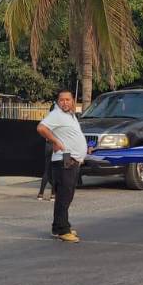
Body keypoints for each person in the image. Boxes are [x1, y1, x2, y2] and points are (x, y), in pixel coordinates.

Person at [37, 89, 87, 242]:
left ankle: (58, 226)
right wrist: (55, 142)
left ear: (73, 101)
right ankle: (63, 230)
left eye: (67, 100)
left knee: (65, 194)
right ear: (58, 102)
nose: (65, 103)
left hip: (70, 158)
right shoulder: (56, 114)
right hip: (64, 158)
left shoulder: (71, 116)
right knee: (65, 196)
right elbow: (41, 128)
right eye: (61, 100)